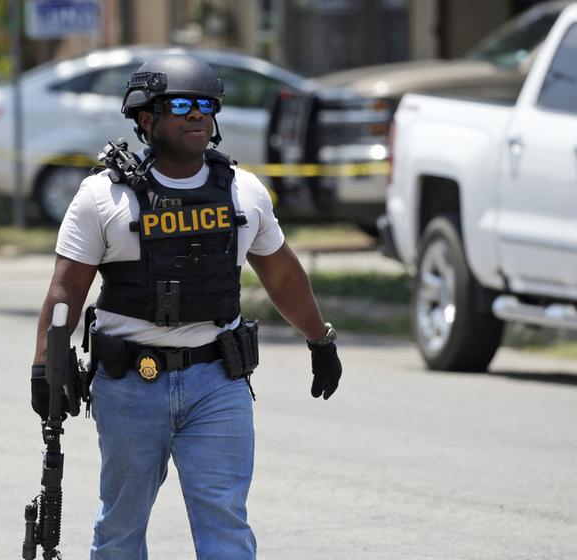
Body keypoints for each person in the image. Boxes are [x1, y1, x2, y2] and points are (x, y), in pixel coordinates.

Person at [29, 53, 344, 559]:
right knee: (121, 527)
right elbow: (66, 293)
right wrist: (45, 369)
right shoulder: (102, 198)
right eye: (180, 105)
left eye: (204, 104)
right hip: (130, 384)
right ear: (147, 119)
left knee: (225, 521)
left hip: (218, 382)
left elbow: (283, 275)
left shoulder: (244, 192)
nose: (196, 114)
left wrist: (319, 338)